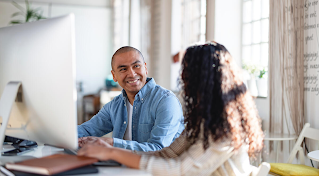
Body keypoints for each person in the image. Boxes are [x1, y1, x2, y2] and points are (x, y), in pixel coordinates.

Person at [78, 42, 264, 175]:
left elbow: (179, 170)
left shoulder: (226, 129)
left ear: (205, 81)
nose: (183, 81)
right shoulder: (204, 120)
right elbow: (167, 153)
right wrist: (111, 150)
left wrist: (111, 150)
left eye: (187, 74)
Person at [77, 46, 185, 152]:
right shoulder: (114, 106)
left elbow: (159, 150)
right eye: (123, 69)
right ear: (114, 76)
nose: (132, 74)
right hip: (123, 168)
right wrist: (63, 135)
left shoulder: (166, 101)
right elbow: (86, 130)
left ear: (145, 68)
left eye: (136, 66)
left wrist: (112, 144)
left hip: (155, 169)